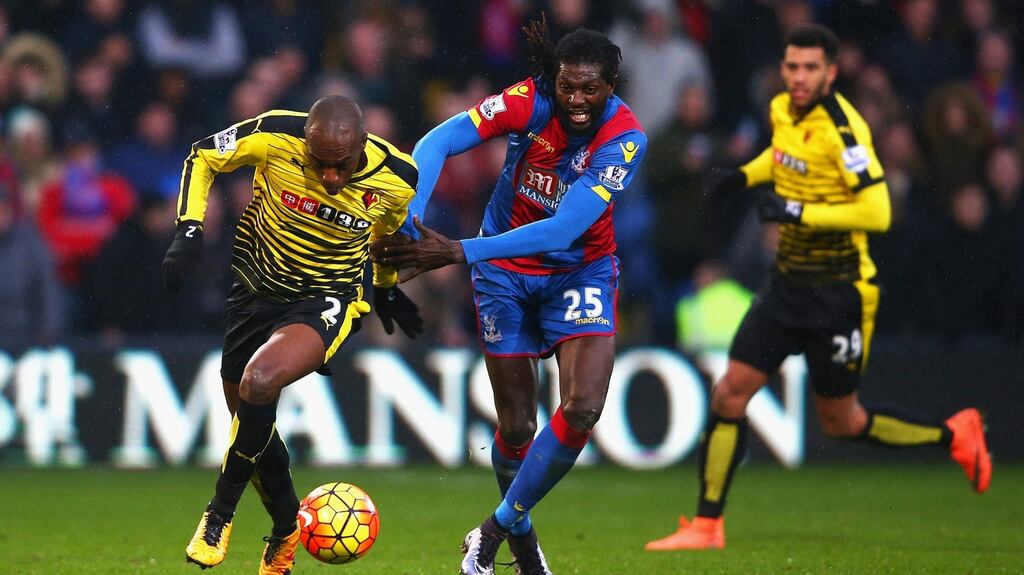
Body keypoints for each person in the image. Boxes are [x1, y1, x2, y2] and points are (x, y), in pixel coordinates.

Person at [644, 24, 992, 552]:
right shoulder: (783, 109)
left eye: (811, 68)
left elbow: (878, 211)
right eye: (793, 66)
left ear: (831, 73)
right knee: (730, 392)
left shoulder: (844, 130)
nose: (800, 77)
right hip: (787, 283)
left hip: (839, 292)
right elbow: (783, 159)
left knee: (843, 421)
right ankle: (706, 525)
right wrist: (743, 176)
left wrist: (798, 210)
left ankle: (955, 434)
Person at [373, 15, 646, 575]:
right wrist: (411, 220)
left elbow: (565, 229)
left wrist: (462, 251)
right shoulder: (530, 100)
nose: (575, 99)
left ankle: (493, 530)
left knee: (583, 406)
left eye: (589, 88)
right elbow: (438, 140)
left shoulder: (625, 138)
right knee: (517, 425)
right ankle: (525, 549)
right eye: (567, 85)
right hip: (504, 274)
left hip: (580, 271)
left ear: (610, 88)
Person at [166, 96, 424, 574]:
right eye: (318, 163)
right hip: (255, 291)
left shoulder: (398, 177)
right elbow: (202, 155)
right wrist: (189, 228)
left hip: (328, 297)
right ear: (304, 141)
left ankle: (219, 514)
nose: (329, 177)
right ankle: (286, 529)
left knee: (260, 382)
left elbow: (386, 238)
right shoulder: (273, 134)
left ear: (363, 144)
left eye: (340, 166)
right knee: (250, 415)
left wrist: (385, 289)